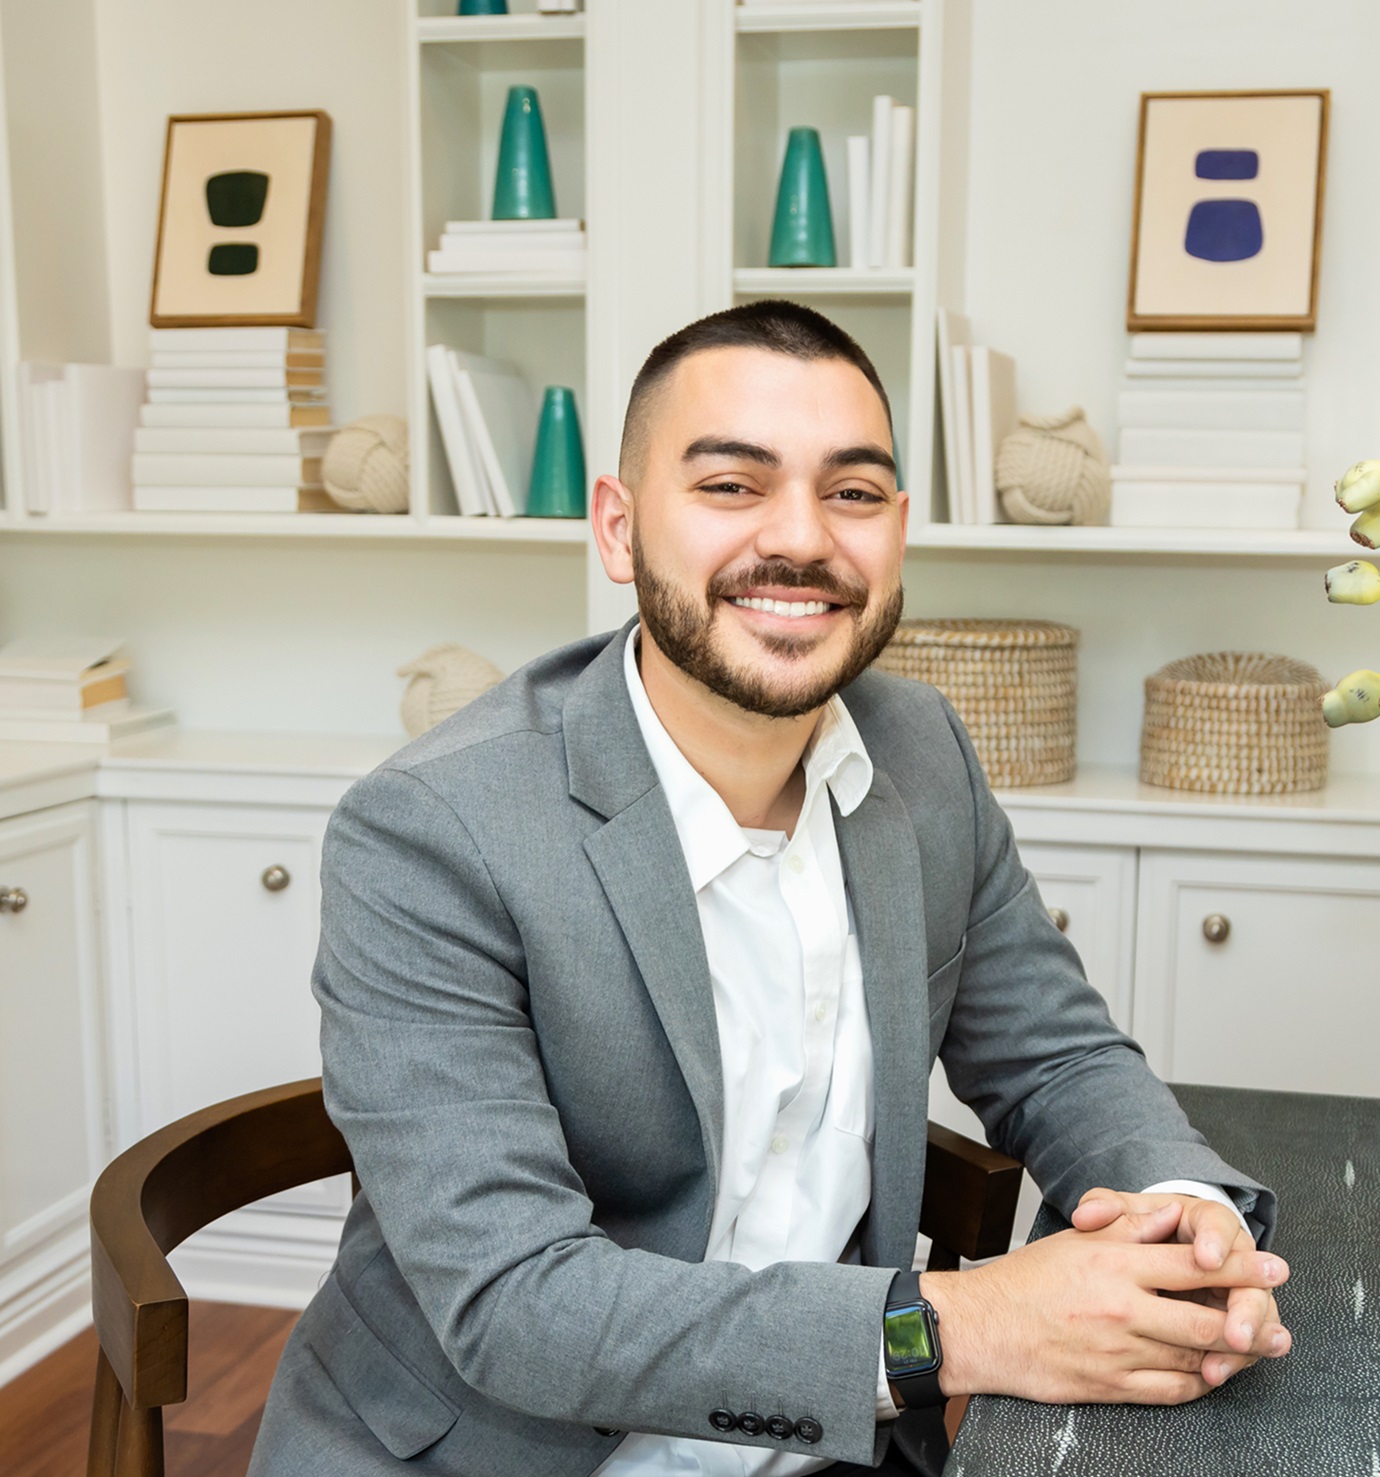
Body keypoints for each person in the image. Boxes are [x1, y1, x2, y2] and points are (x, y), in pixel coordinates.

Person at [249, 301, 1289, 1477]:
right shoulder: (431, 830)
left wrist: (1183, 1212)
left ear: (897, 530)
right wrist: (965, 1323)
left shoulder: (921, 752)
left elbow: (1055, 1057)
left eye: (851, 492)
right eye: (731, 485)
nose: (800, 538)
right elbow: (514, 1300)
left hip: (833, 1445)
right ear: (617, 527)